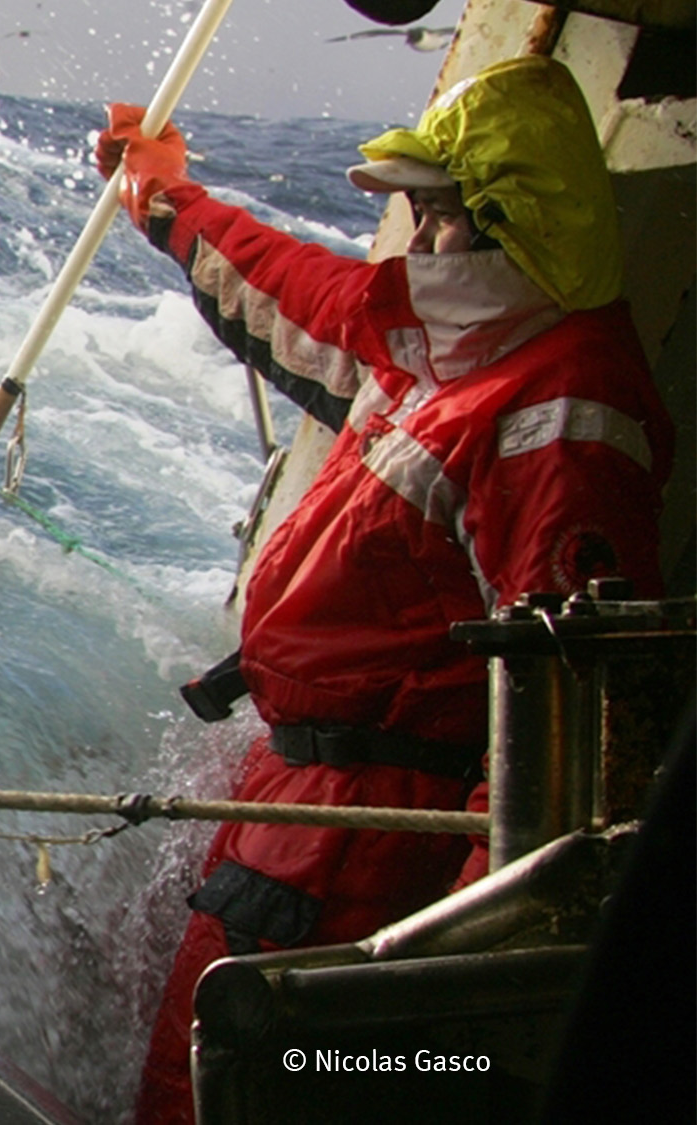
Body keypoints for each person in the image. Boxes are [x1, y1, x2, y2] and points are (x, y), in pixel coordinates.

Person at [94, 54, 674, 1124]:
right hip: (303, 793)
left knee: (268, 1084)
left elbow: (574, 736)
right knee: (202, 1069)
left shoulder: (565, 421)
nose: (416, 235)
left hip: (377, 837)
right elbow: (285, 283)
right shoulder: (447, 344)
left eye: (432, 211)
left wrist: (454, 962)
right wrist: (162, 191)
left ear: (502, 225)